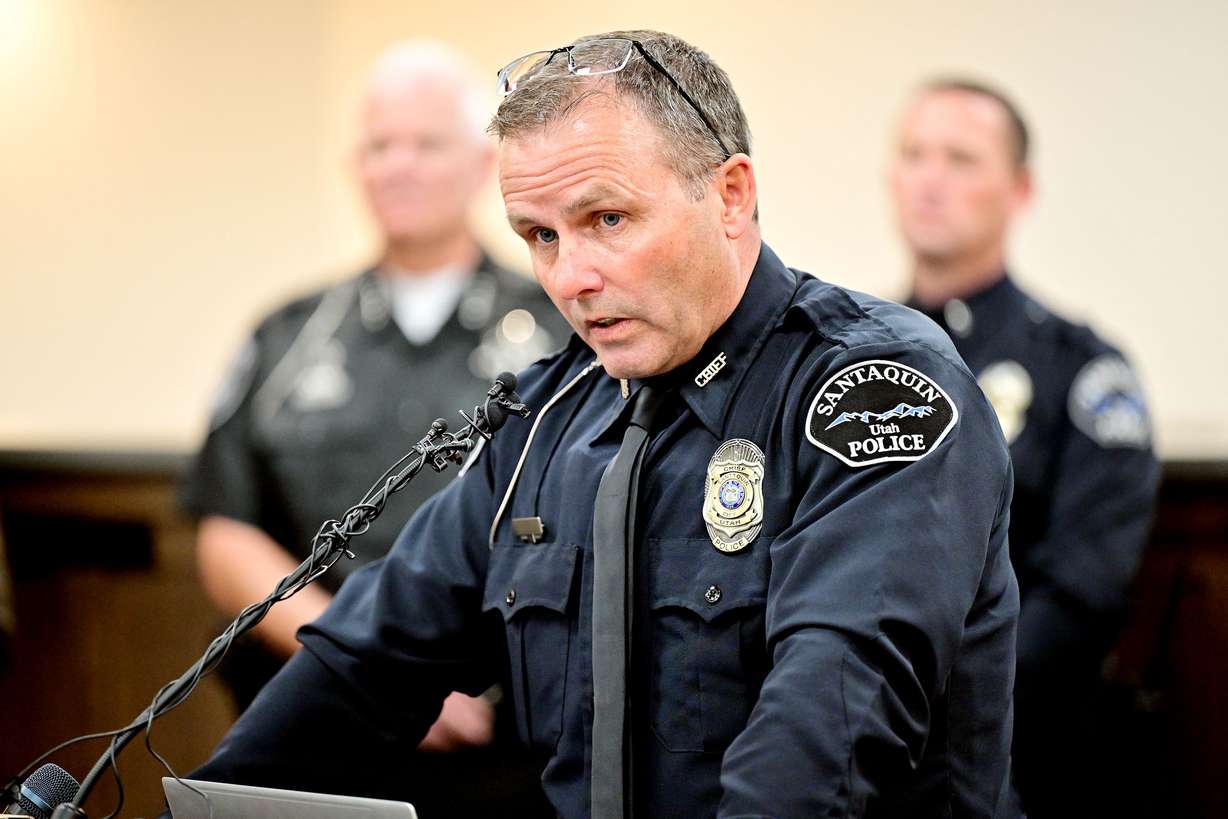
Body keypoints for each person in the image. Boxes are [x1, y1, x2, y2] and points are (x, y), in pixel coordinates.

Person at [188, 31, 1022, 817]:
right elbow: (364, 663)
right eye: (540, 236)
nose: (571, 277)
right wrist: (205, 803)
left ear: (730, 195)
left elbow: (827, 723)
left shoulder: (873, 389)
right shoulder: (549, 417)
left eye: (607, 221)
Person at [180, 40, 565, 816]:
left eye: (427, 144)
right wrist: (357, 661)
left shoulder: (562, 327)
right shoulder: (290, 335)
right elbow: (226, 532)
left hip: (510, 741)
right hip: (317, 719)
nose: (399, 166)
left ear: (480, 163)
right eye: (379, 145)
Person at [889, 78, 1160, 817]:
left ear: (1019, 188)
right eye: (915, 154)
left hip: (1020, 747)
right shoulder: (849, 363)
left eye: (962, 158)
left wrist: (936, 702)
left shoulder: (1080, 369)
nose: (931, 178)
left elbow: (1084, 588)